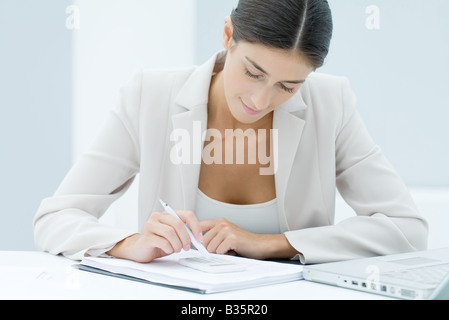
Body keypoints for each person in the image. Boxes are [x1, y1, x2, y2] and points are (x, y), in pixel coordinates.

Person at [34, 0, 428, 264]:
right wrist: (126, 244)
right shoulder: (150, 96)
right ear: (227, 35)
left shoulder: (331, 103)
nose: (260, 99)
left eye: (288, 87)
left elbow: (407, 230)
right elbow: (55, 218)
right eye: (253, 72)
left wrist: (273, 243)